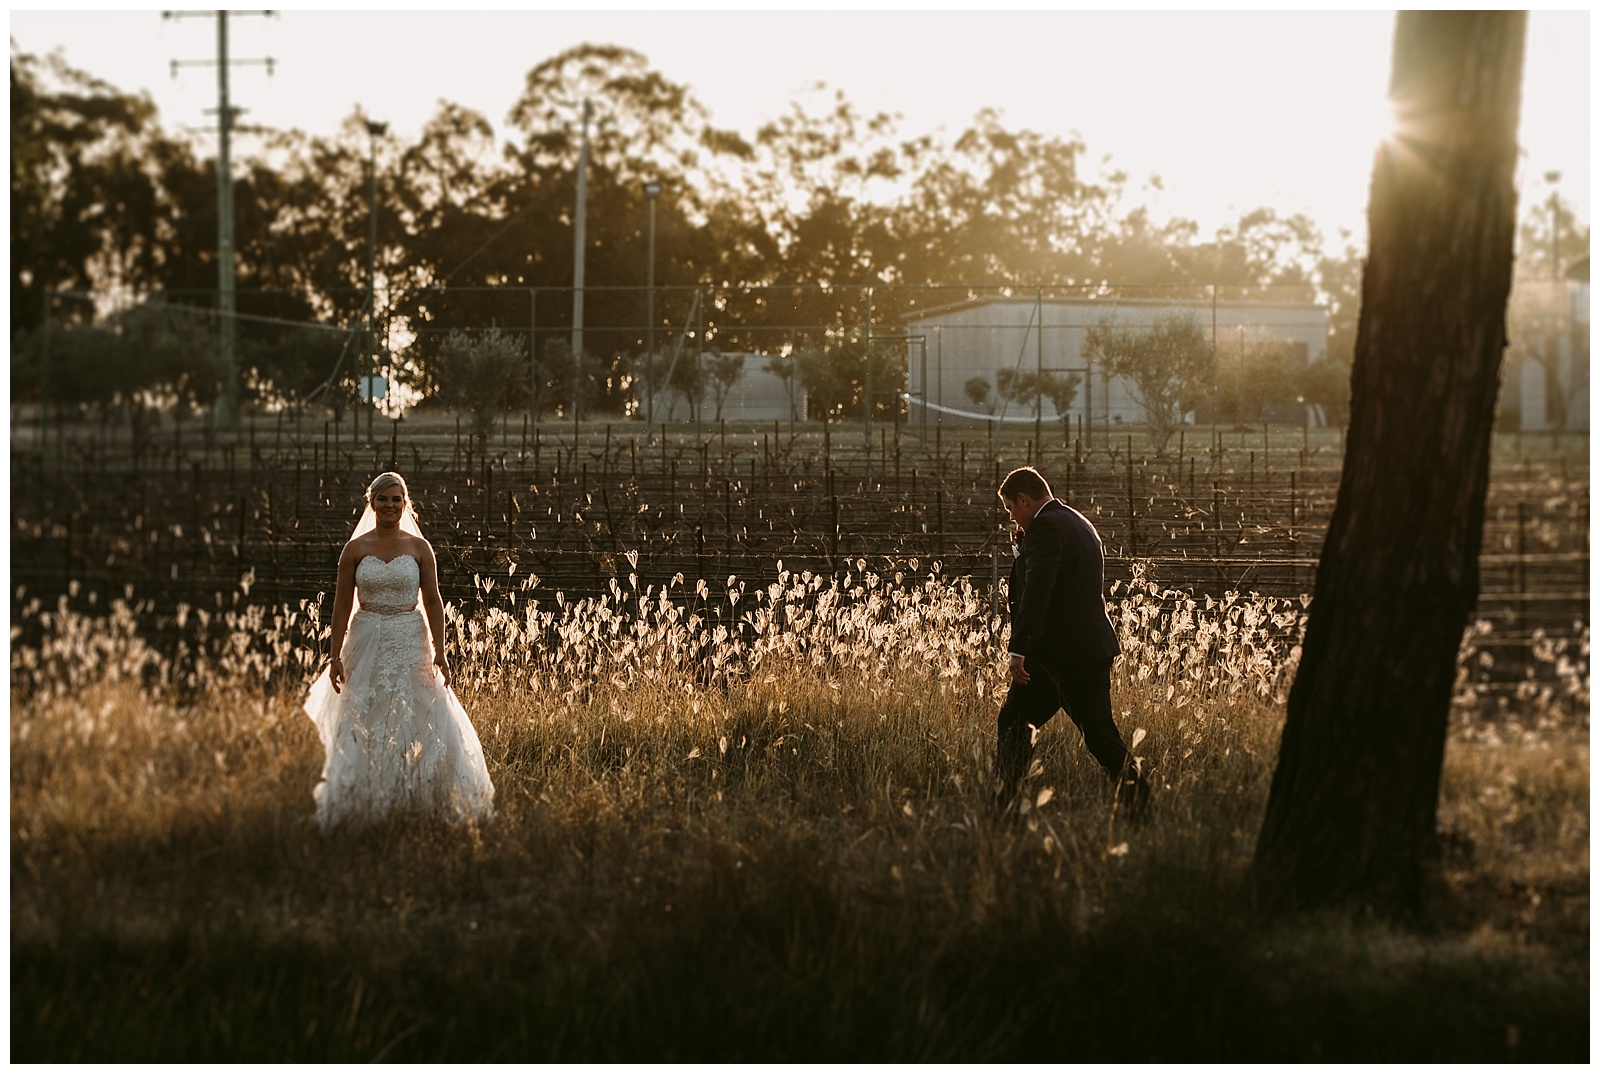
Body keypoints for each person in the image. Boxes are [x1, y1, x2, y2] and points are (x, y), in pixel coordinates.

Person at [303, 472, 494, 829]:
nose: (389, 506)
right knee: (365, 717)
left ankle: (424, 798)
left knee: (420, 713)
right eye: (383, 499)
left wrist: (441, 650)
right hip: (366, 637)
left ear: (405, 505)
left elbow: (433, 601)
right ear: (371, 503)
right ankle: (364, 801)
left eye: (396, 500)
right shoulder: (355, 549)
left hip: (409, 637)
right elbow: (342, 603)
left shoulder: (419, 549)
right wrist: (334, 654)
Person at [994, 466, 1150, 816]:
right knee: (1100, 737)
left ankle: (1001, 811)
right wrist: (1023, 551)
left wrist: (1019, 648)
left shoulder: (1045, 528)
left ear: (1024, 499)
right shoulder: (1079, 521)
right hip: (1092, 649)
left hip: (1055, 655)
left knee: (1014, 722)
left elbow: (1038, 593)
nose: (1011, 517)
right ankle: (1142, 805)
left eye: (1010, 508)